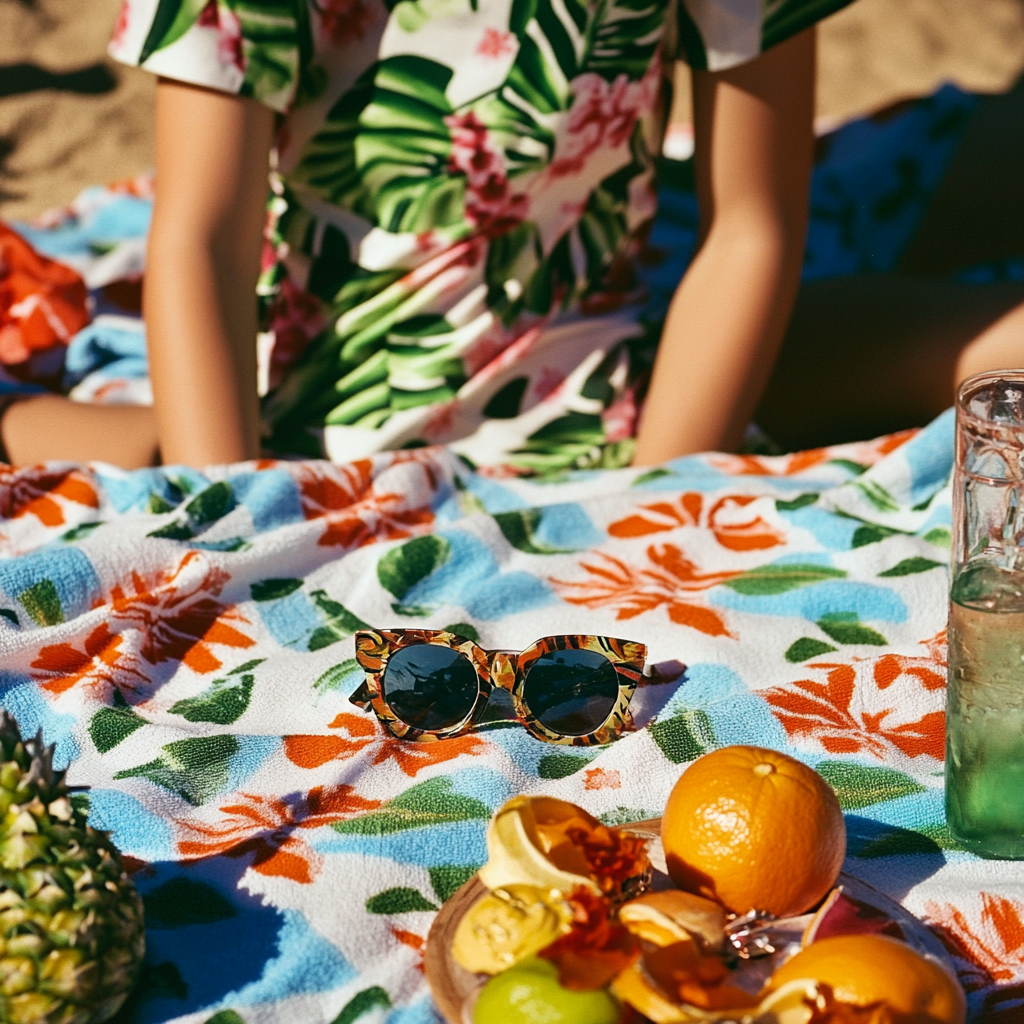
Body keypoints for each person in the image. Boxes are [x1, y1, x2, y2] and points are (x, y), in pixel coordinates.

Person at [0, 0, 1021, 471]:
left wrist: (663, 487)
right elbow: (201, 242)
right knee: (137, 450)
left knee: (981, 336)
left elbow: (751, 227)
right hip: (305, 407)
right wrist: (240, 515)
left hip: (622, 374)